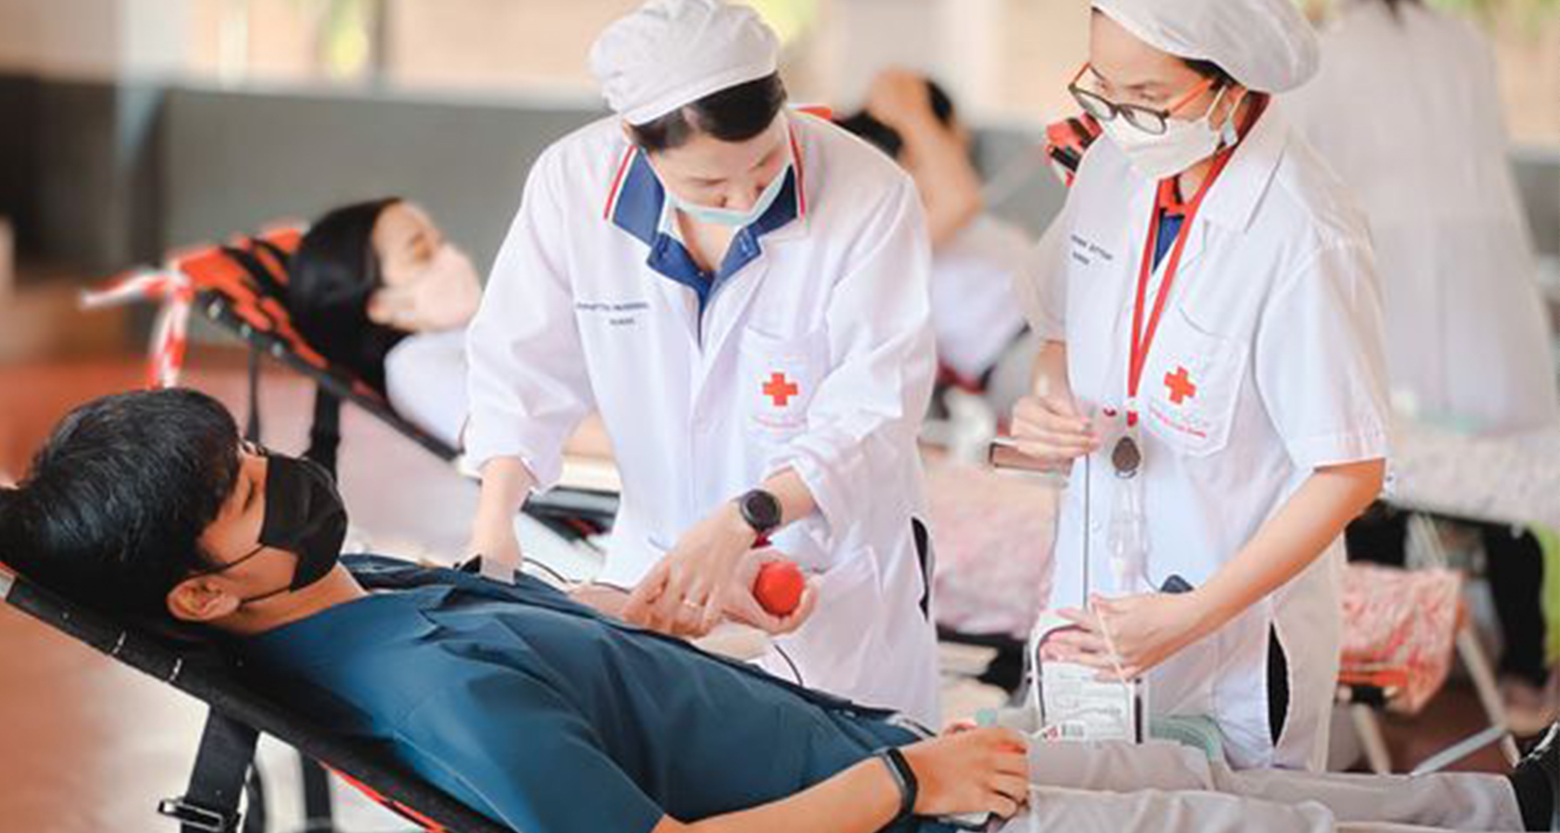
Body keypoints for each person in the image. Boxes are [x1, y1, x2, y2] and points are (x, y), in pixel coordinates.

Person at [1, 388, 1557, 833]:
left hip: (894, 751)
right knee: (1236, 828)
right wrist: (905, 785)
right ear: (205, 593)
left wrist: (626, 639)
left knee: (1221, 782)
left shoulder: (363, 595)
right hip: (911, 802)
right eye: (248, 492)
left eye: (254, 443)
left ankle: (1512, 805)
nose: (285, 469)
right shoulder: (427, 690)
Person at [463, 0, 940, 720]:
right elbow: (518, 365)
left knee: (853, 789)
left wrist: (741, 521)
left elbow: (875, 409)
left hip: (824, 569)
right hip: (654, 565)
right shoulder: (572, 185)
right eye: (708, 182)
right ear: (633, 137)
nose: (745, 193)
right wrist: (494, 531)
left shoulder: (870, 193)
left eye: (764, 164)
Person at [1009, 0, 1391, 770]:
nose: (1117, 117)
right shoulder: (1115, 165)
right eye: (1103, 88)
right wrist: (1049, 404)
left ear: (1231, 86)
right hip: (1096, 604)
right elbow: (1060, 330)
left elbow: (1348, 471)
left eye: (1148, 94)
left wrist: (1196, 615)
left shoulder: (1304, 232)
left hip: (1233, 637)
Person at [1287, 0, 1560, 732]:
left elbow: (1306, 159)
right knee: (1500, 478)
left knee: (1379, 462)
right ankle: (1524, 673)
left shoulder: (1335, 51)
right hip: (1484, 279)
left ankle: (1386, 659)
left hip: (1389, 264)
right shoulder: (1467, 45)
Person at [838, 70, 1040, 417]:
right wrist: (912, 111)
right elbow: (959, 198)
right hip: (1019, 355)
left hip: (1053, 330)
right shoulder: (882, 231)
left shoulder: (940, 214)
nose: (956, 148)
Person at [289, 198, 480, 447]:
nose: (452, 257)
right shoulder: (414, 366)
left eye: (441, 242)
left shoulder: (468, 332)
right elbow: (508, 441)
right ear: (379, 305)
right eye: (421, 254)